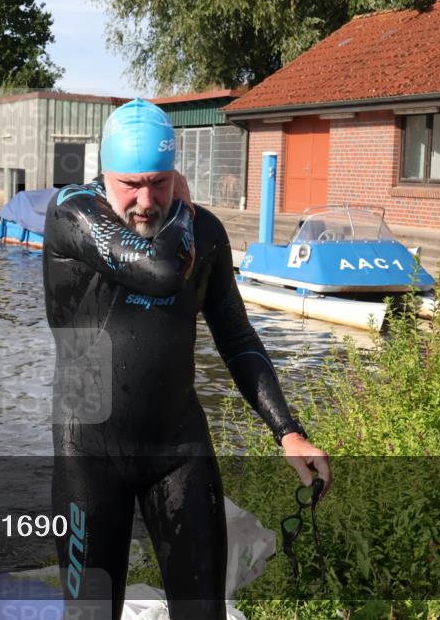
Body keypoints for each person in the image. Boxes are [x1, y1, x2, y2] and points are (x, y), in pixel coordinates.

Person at [43, 98, 331, 619]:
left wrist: (288, 430)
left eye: (158, 181)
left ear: (175, 171)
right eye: (130, 184)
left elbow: (238, 338)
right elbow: (161, 270)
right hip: (89, 452)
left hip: (177, 449)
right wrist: (183, 207)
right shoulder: (73, 215)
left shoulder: (206, 235)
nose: (146, 200)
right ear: (104, 173)